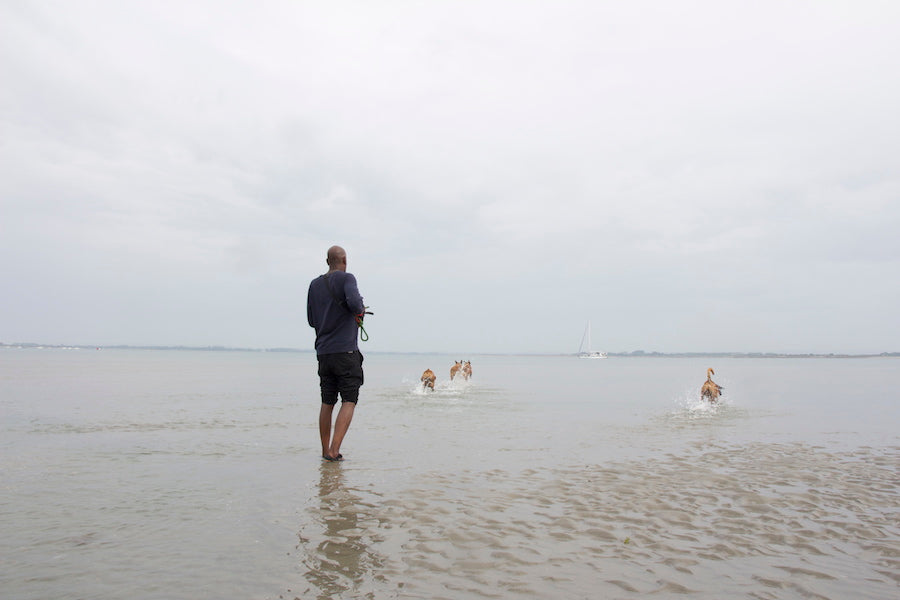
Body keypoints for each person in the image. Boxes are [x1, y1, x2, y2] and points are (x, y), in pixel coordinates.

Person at [307, 245, 366, 462]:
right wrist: (359, 313)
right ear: (345, 261)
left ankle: (324, 451)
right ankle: (334, 450)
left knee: (327, 401)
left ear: (327, 261)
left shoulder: (314, 284)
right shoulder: (347, 278)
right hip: (345, 351)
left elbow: (312, 320)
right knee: (349, 399)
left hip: (323, 352)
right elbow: (355, 304)